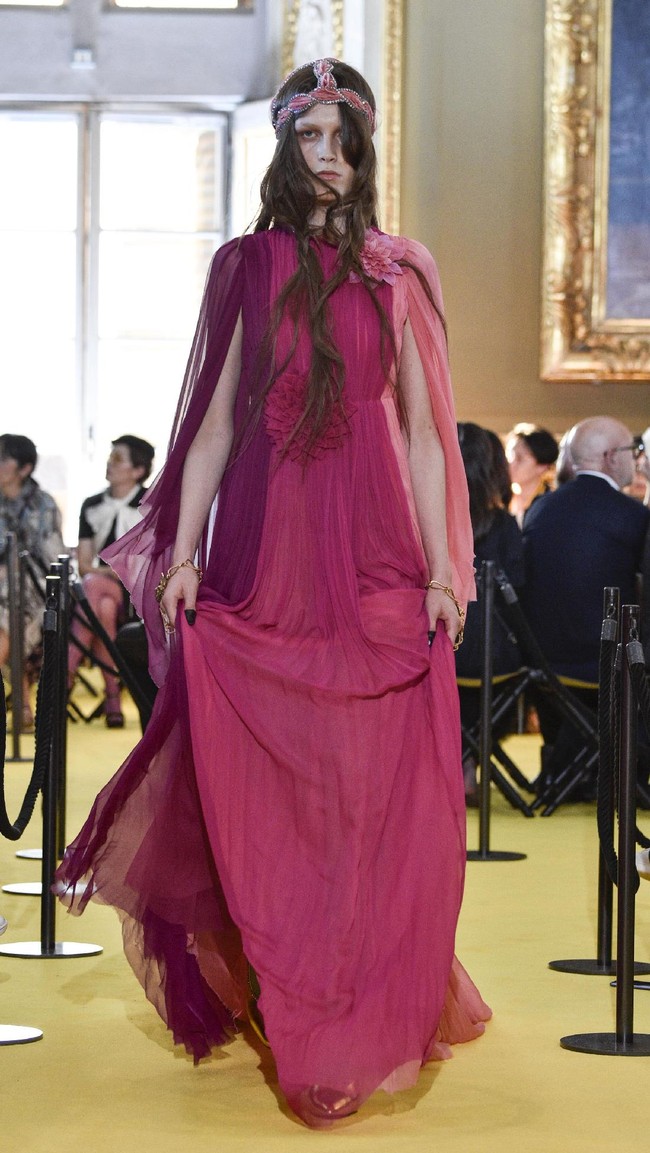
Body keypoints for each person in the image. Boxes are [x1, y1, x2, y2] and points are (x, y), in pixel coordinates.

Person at [54, 59, 490, 1127]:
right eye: (310, 137)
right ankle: (281, 993)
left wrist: (442, 567)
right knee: (259, 780)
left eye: (345, 136)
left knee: (369, 782)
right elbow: (209, 424)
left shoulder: (398, 270)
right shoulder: (244, 265)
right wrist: (189, 549)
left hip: (374, 550)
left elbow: (427, 439)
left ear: (366, 146)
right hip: (264, 543)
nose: (328, 155)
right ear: (286, 148)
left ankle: (355, 991)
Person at [522, 416, 650, 794]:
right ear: (612, 457)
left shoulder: (541, 508)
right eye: (633, 450)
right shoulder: (634, 516)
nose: (637, 459)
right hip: (608, 662)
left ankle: (567, 771)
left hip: (542, 661)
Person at [455, 423, 524, 803]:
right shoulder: (505, 528)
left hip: (436, 647)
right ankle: (469, 762)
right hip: (495, 658)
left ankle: (456, 762)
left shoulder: (428, 521)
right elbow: (519, 590)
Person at [67, 435, 155, 728]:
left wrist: (109, 571)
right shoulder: (91, 504)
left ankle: (64, 675)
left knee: (94, 590)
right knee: (101, 603)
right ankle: (113, 695)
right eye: (110, 456)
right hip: (103, 589)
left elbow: (145, 564)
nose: (110, 463)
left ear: (138, 470)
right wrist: (111, 572)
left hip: (136, 593)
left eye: (118, 459)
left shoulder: (150, 504)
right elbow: (82, 563)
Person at [0, 434, 64, 730]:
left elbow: (52, 557)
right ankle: (23, 703)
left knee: (9, 620)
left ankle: (23, 703)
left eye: (4, 458)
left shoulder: (44, 503)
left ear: (24, 469)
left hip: (34, 589)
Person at [505, 422, 559, 526]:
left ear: (542, 466)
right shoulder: (501, 499)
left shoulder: (551, 505)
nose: (511, 464)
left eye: (520, 459)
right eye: (509, 456)